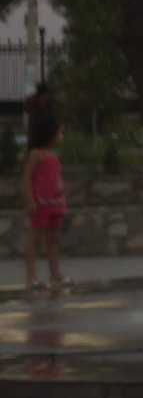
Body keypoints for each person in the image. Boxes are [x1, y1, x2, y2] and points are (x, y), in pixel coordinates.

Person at [22, 115, 66, 297]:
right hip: (40, 205)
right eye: (60, 132)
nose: (62, 136)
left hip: (55, 204)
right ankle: (31, 277)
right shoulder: (35, 155)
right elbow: (26, 178)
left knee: (53, 240)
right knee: (35, 240)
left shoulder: (54, 157)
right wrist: (30, 200)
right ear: (49, 135)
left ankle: (55, 275)